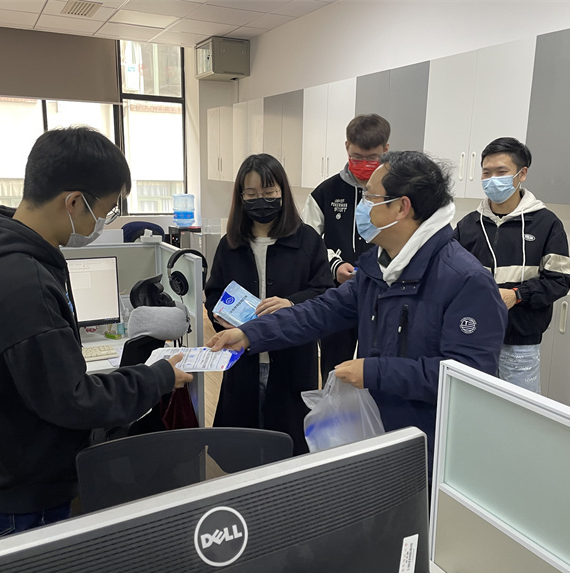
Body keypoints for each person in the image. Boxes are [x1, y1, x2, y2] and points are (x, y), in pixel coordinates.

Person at [0, 127, 193, 541]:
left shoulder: (4, 257)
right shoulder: (22, 283)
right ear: (74, 201)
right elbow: (74, 400)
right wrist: (158, 377)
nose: (103, 223)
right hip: (20, 492)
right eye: (106, 211)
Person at [208, 150, 507, 477]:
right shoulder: (378, 267)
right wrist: (250, 333)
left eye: (370, 197)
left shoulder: (465, 280)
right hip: (376, 432)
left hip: (429, 448)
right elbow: (321, 312)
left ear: (401, 207)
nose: (361, 207)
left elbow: (466, 378)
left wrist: (375, 372)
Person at [204, 153, 333, 455]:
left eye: (268, 192)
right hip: (242, 360)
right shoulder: (230, 244)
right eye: (251, 194)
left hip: (292, 360)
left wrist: (290, 303)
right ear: (241, 197)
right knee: (243, 447)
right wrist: (221, 316)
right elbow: (213, 294)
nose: (260, 200)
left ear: (282, 193)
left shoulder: (307, 241)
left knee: (287, 446)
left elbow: (324, 293)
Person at [454, 137, 570, 393]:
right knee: (472, 404)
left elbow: (559, 280)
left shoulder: (546, 224)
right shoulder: (468, 225)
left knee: (516, 409)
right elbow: (450, 276)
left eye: (501, 172)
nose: (492, 179)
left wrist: (517, 295)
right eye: (486, 172)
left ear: (522, 174)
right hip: (472, 335)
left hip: (520, 342)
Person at [302, 114, 391, 381]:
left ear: (386, 149)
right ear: (346, 146)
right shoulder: (325, 193)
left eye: (372, 158)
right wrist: (334, 266)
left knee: (377, 369)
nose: (364, 164)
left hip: (383, 296)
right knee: (334, 367)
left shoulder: (397, 193)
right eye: (357, 157)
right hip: (337, 295)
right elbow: (308, 242)